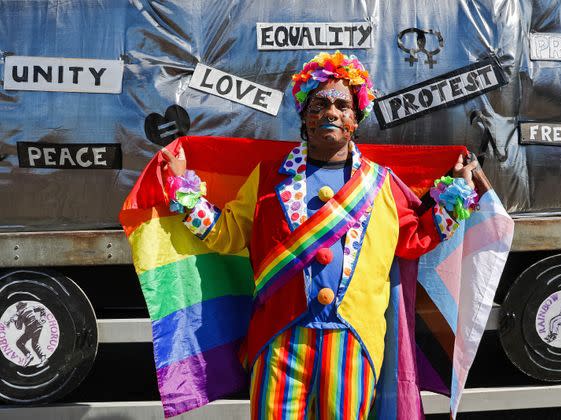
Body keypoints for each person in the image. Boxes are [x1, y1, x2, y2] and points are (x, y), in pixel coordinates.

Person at [161, 51, 478, 419]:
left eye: (342, 106)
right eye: (320, 104)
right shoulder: (268, 179)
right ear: (305, 117)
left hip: (352, 339)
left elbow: (415, 239)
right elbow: (225, 233)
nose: (331, 112)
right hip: (279, 338)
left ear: (356, 118)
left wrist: (457, 193)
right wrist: (183, 188)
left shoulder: (381, 185)